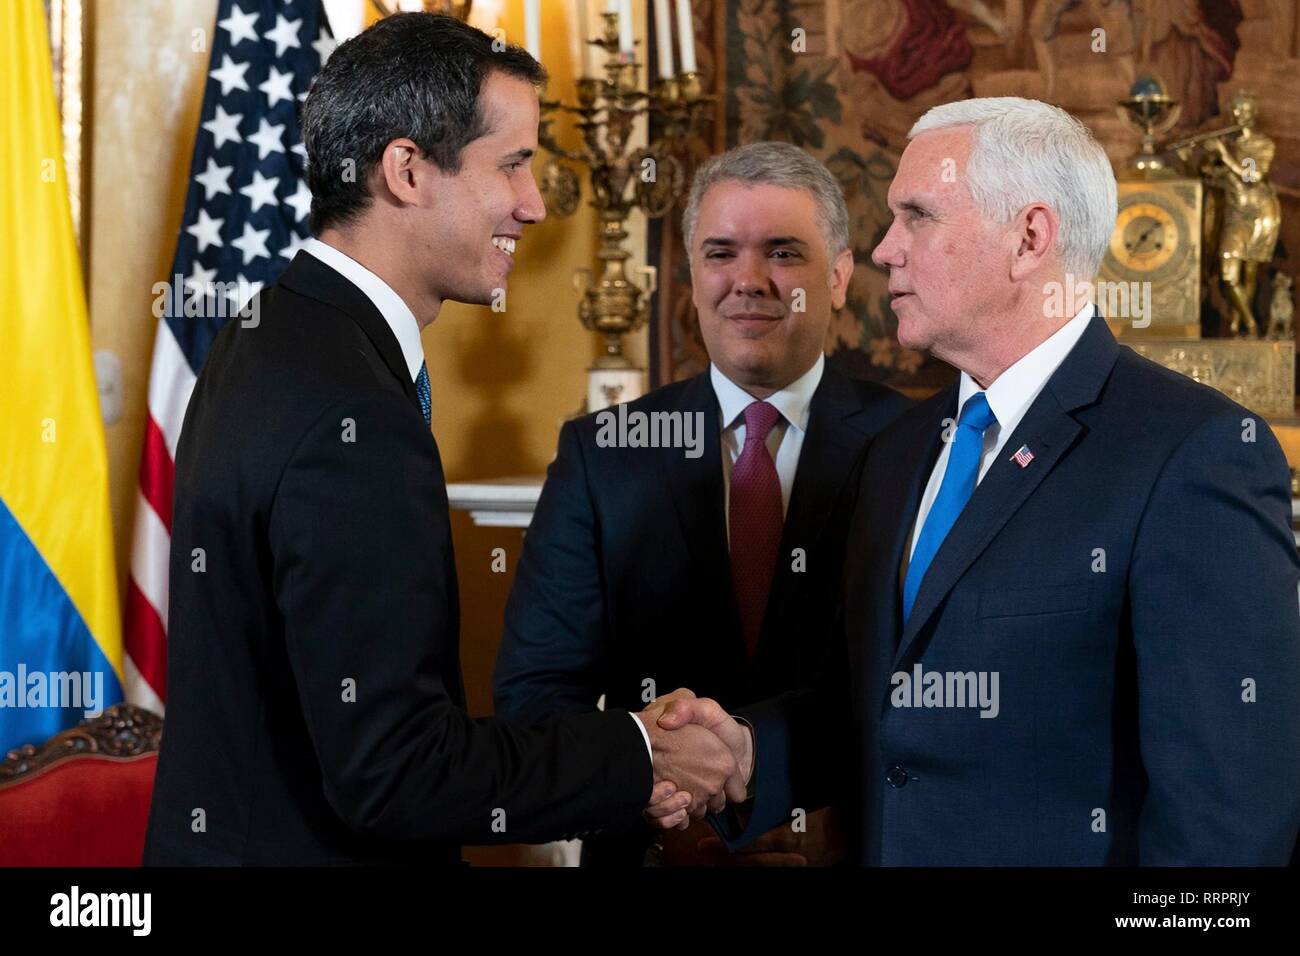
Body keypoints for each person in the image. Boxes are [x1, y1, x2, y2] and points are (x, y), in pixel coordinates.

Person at [144, 12, 739, 866]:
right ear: (408, 170)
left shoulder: (268, 333)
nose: (533, 206)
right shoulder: (354, 414)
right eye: (512, 166)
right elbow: (395, 772)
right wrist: (639, 754)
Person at [656, 97, 1300, 865]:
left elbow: (1230, 813)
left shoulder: (1194, 452)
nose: (886, 248)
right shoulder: (895, 451)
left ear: (1029, 238)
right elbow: (877, 710)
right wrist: (746, 754)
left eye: (917, 216)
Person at [493, 142, 910, 866]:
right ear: (691, 277)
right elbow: (534, 697)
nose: (748, 281)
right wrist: (655, 784)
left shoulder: (915, 446)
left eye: (783, 253)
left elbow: (923, 687)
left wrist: (781, 794)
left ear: (839, 277)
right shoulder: (605, 452)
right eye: (721, 253)